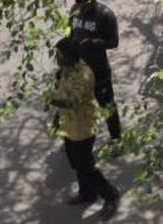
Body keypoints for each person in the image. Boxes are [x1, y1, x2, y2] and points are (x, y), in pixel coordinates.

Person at [49, 38, 120, 215]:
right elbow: (62, 93)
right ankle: (87, 194)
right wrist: (57, 116)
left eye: (60, 55)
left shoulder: (84, 75)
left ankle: (110, 195)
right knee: (77, 164)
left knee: (87, 168)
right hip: (69, 127)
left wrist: (50, 99)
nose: (56, 58)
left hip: (82, 129)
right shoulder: (66, 69)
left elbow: (73, 102)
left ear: (71, 57)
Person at [70, 0, 122, 142]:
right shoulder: (75, 10)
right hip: (79, 68)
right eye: (77, 2)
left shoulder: (106, 15)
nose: (79, 6)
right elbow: (69, 29)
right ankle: (82, 136)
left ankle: (116, 138)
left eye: (82, 3)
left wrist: (92, 42)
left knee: (107, 106)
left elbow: (113, 42)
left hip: (99, 71)